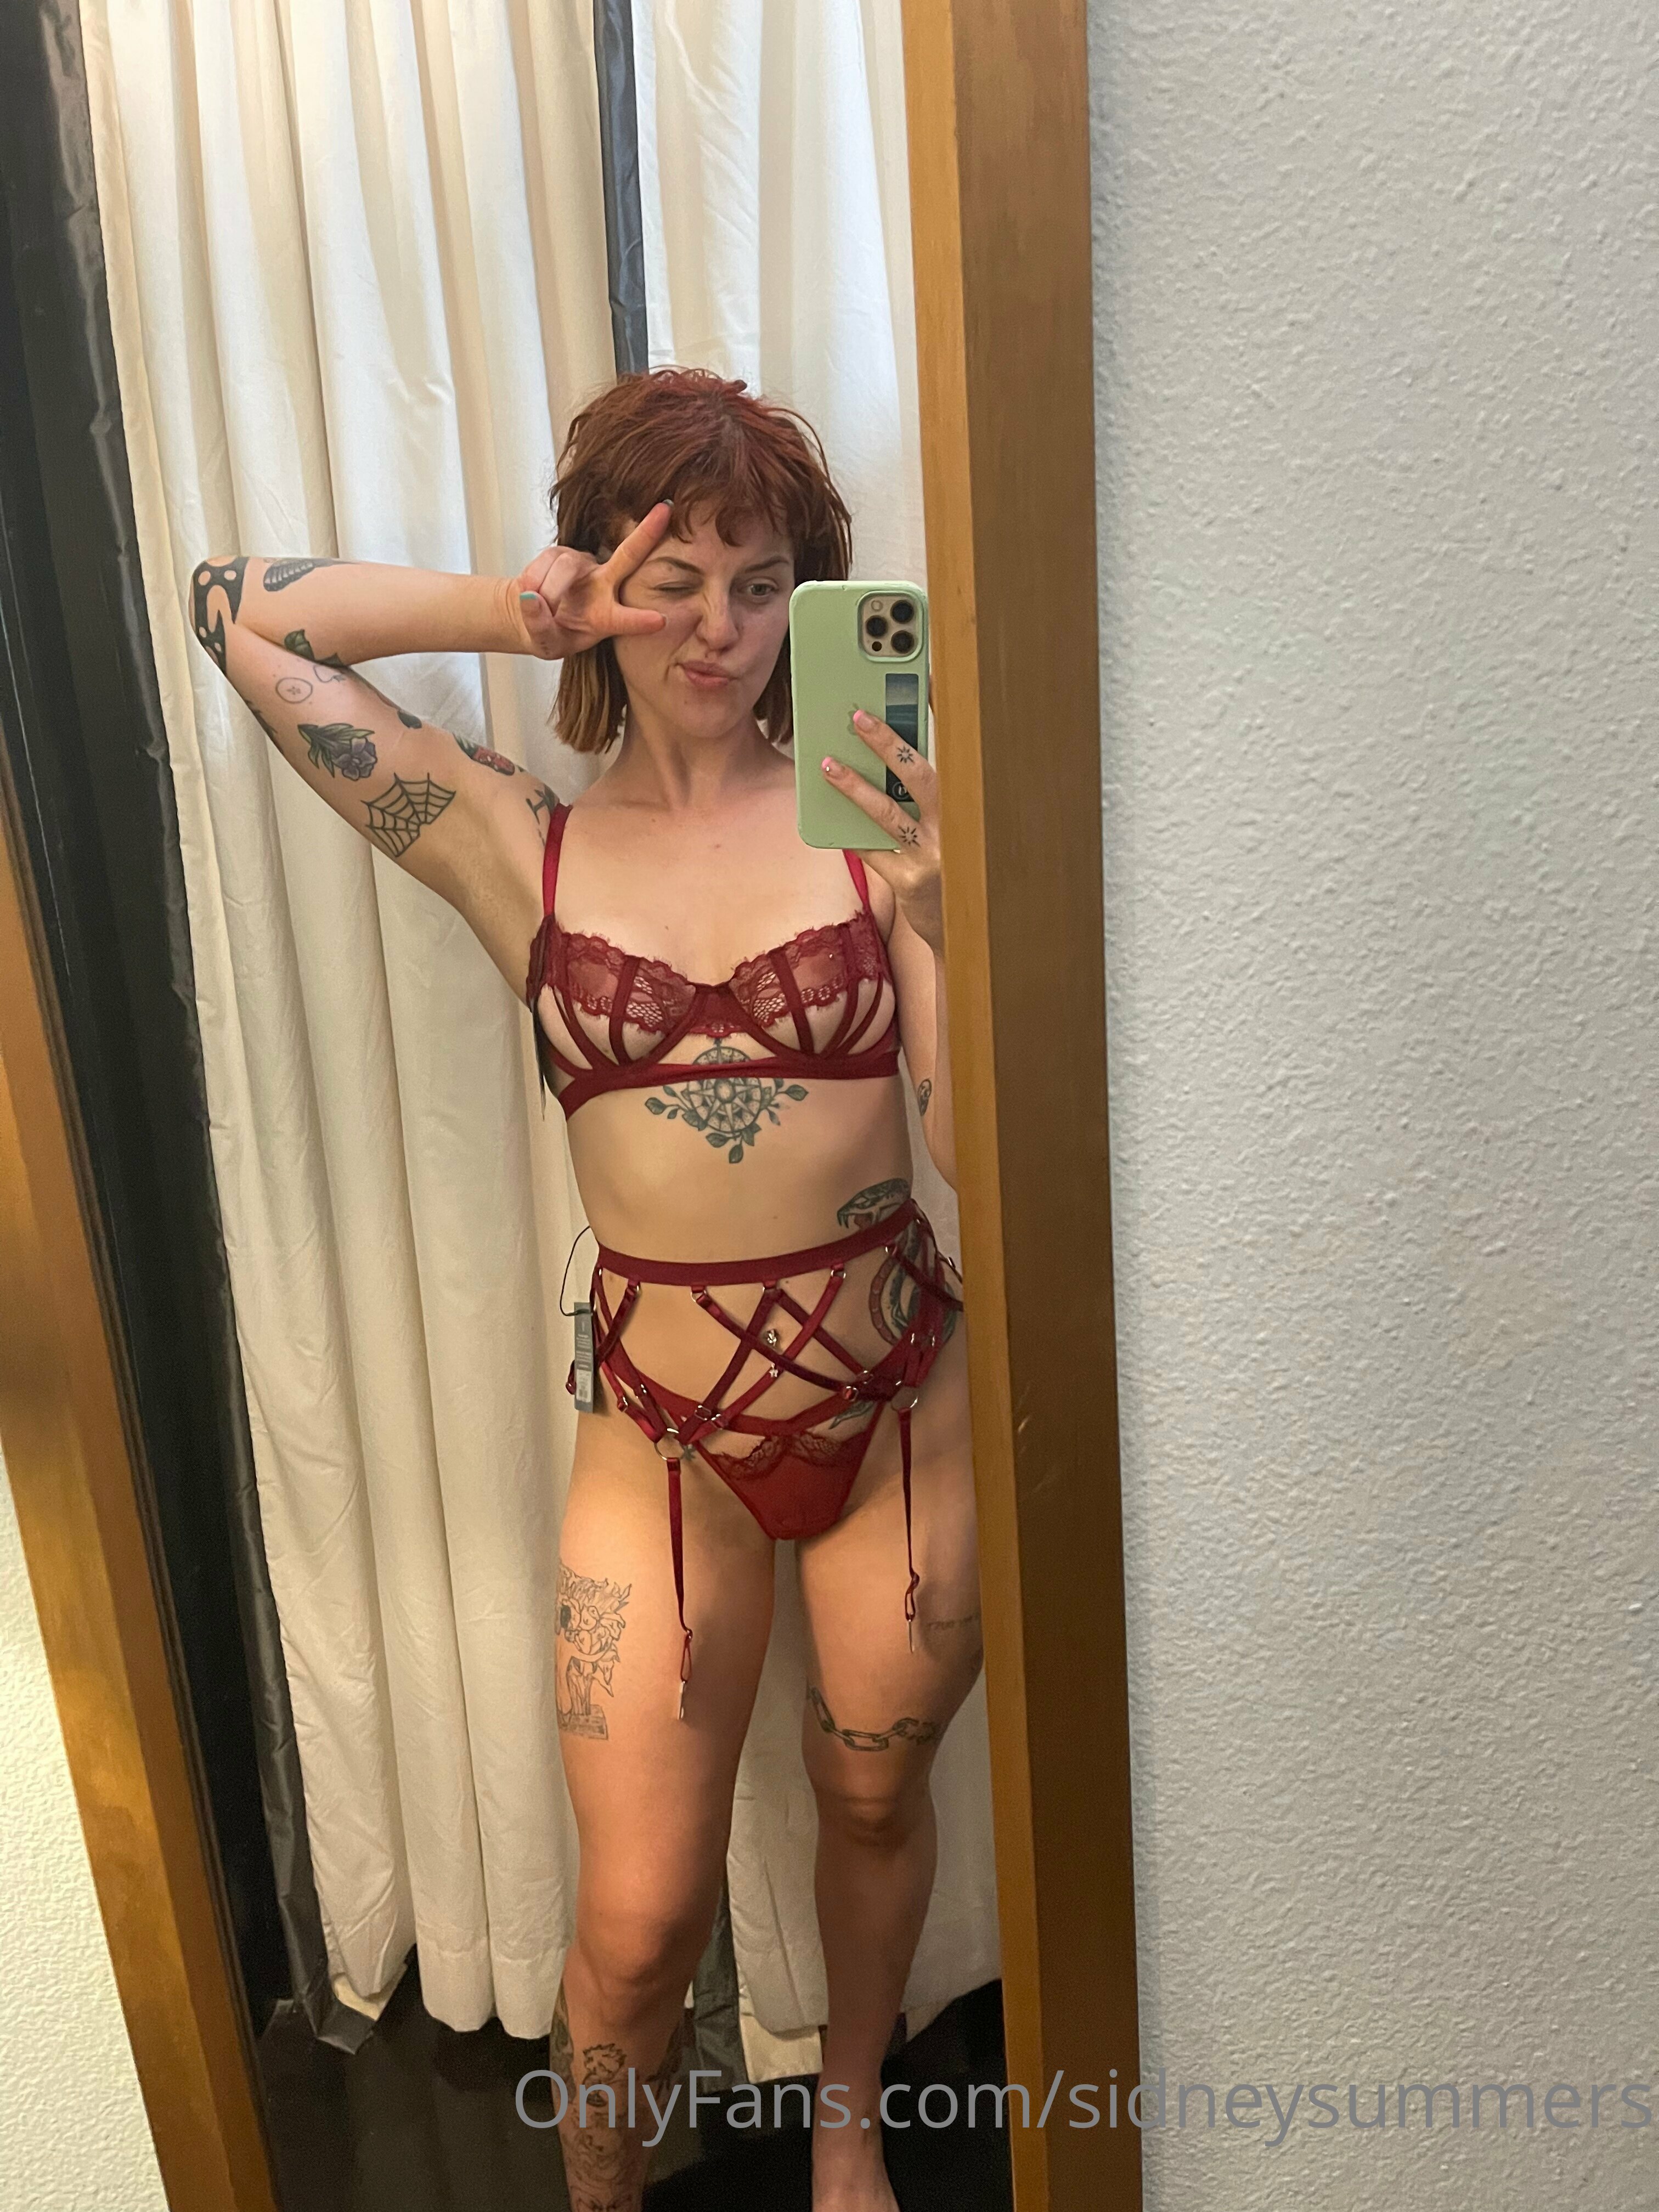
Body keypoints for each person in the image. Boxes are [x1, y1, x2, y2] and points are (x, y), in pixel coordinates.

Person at [190, 365, 983, 2212]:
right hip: (663, 1440)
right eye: (671, 578)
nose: (717, 628)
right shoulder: (513, 841)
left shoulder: (879, 831)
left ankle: (849, 2128)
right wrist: (506, 610)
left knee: (876, 1794)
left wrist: (944, 912)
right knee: (632, 1928)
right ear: (604, 581)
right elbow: (236, 611)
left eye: (761, 584)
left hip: (897, 1408)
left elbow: (969, 1154)